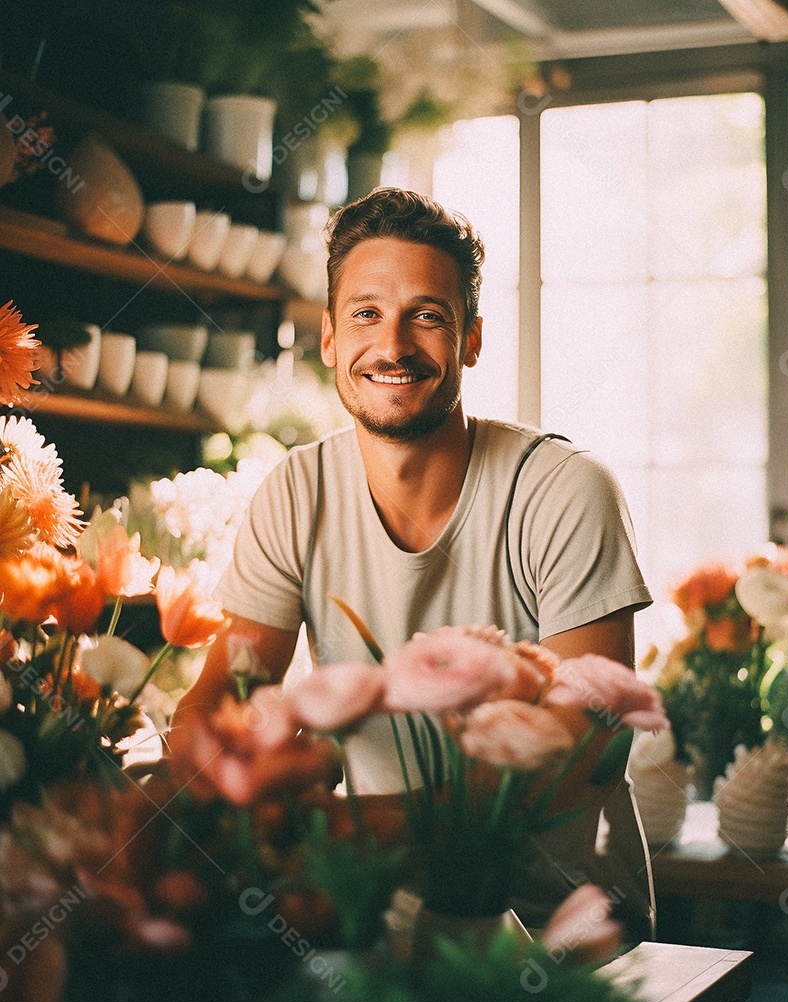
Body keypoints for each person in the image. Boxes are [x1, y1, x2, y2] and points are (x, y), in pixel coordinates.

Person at [175, 187, 655, 938]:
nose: (392, 346)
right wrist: (220, 782)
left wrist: (362, 826)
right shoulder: (296, 491)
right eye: (366, 313)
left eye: (426, 315)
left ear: (472, 340)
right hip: (379, 912)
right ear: (329, 337)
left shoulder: (563, 489)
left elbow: (584, 745)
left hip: (562, 925)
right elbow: (225, 690)